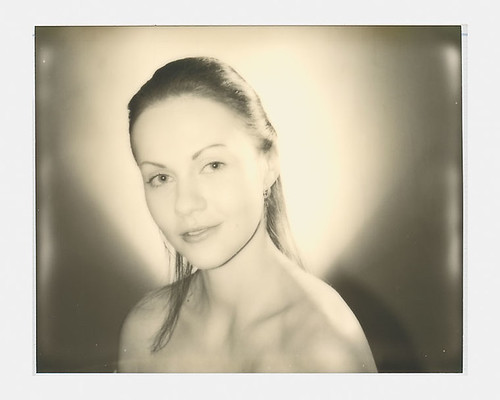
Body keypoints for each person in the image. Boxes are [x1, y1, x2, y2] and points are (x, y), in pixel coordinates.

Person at [118, 57, 377, 373]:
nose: (185, 204)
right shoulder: (145, 330)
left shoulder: (323, 349)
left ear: (268, 163)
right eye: (161, 177)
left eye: (213, 165)